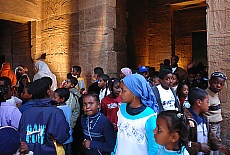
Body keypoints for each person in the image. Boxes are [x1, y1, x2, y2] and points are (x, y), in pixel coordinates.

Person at [18, 79, 70, 155]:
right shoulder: (55, 112)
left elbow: (21, 136)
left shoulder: (26, 113)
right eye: (50, 88)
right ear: (48, 92)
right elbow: (62, 137)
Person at [115, 74, 159, 155]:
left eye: (123, 90)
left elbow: (153, 145)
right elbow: (120, 134)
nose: (120, 94)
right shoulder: (122, 108)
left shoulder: (149, 116)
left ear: (135, 93)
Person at [184, 88, 229, 155]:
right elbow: (182, 143)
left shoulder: (204, 119)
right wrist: (199, 147)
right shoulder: (186, 120)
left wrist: (219, 146)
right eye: (207, 102)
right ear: (199, 102)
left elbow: (210, 137)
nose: (208, 105)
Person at [204, 72, 227, 155]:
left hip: (217, 124)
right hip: (211, 125)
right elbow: (203, 112)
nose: (218, 86)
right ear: (210, 82)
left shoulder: (215, 93)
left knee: (216, 145)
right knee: (211, 144)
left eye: (221, 84)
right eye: (216, 83)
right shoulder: (206, 95)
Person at [53, 88, 73, 155]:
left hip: (61, 139)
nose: (53, 99)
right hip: (69, 137)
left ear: (62, 99)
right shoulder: (68, 107)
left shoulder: (57, 110)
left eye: (55, 97)